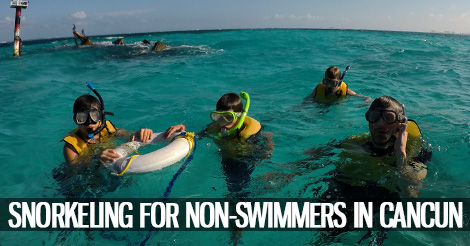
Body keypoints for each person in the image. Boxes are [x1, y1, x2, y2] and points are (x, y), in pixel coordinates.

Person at [165, 92, 273, 196]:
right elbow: (195, 137)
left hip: (248, 155)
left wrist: (268, 150)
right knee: (233, 188)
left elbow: (267, 135)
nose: (222, 123)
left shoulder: (248, 131)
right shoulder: (214, 128)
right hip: (229, 159)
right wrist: (182, 129)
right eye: (219, 117)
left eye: (228, 117)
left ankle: (268, 180)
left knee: (238, 192)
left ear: (239, 116)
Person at [62, 94, 155, 164]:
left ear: (101, 117)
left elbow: (131, 136)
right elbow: (74, 168)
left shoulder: (108, 129)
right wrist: (95, 158)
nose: (89, 122)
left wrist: (142, 132)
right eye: (82, 118)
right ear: (76, 120)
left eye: (94, 116)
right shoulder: (70, 146)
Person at [305, 66, 370, 103]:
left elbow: (358, 95)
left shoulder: (344, 90)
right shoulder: (318, 89)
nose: (329, 86)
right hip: (320, 105)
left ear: (339, 82)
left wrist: (367, 99)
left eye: (333, 83)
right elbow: (307, 100)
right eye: (326, 82)